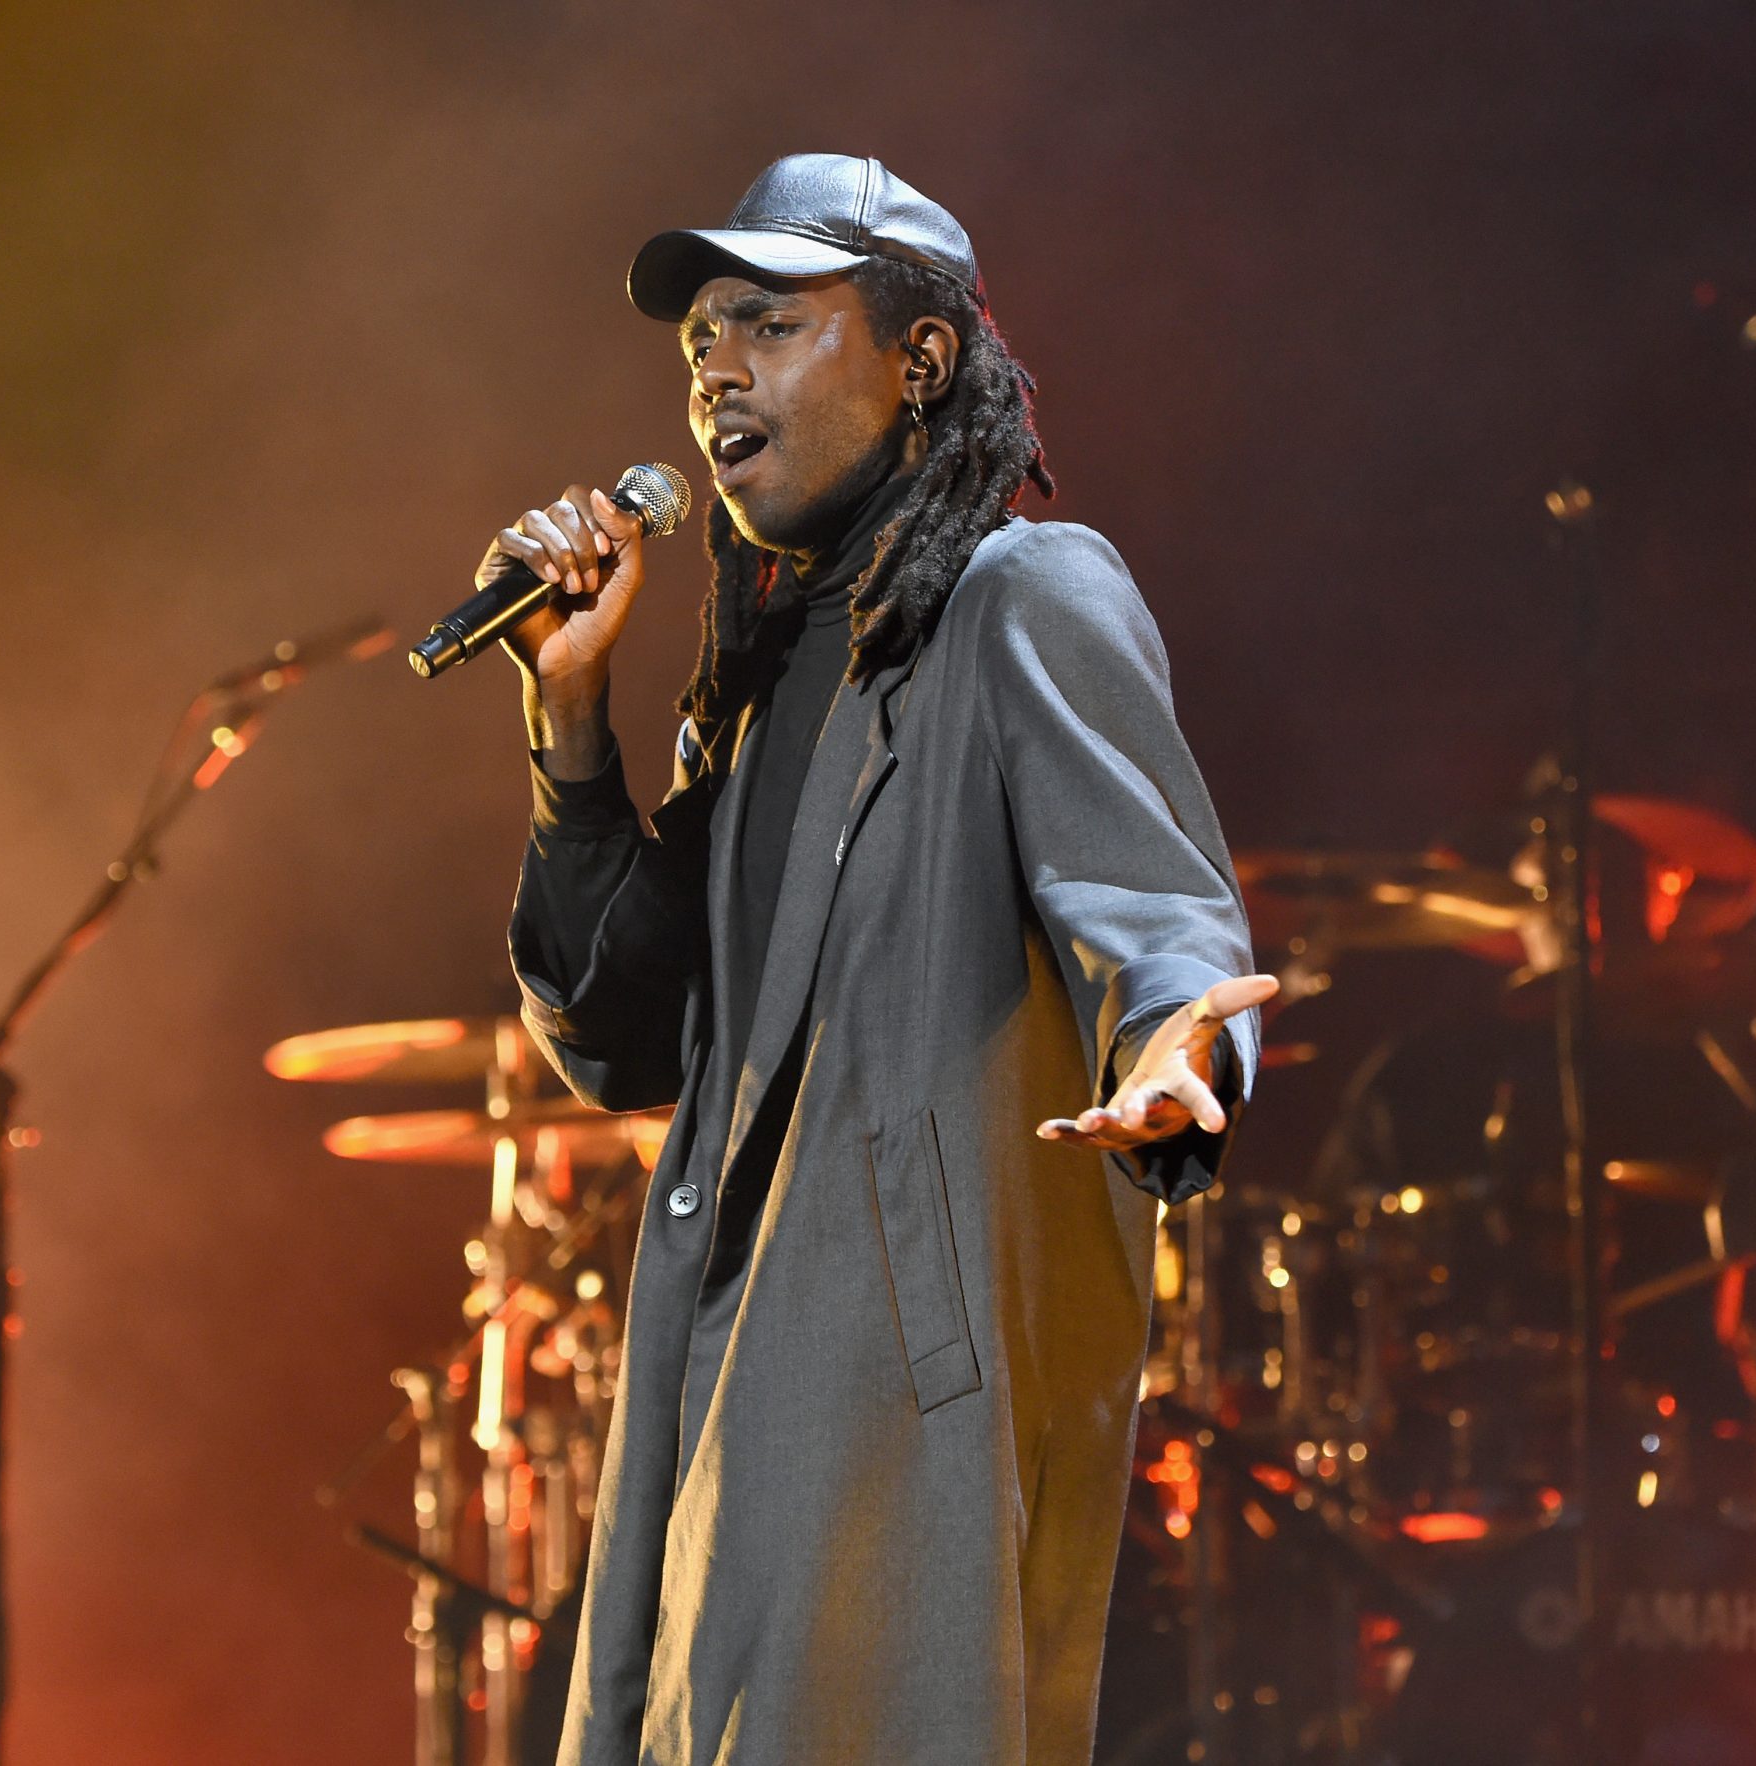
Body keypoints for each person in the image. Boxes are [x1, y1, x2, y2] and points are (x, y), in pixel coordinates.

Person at [486, 152, 1275, 1766]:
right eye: (700, 338)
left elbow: (1160, 908)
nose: (716, 369)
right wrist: (570, 727)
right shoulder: (763, 680)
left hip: (894, 1404)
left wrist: (1180, 1046)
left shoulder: (1021, 594)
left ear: (920, 361)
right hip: (718, 1382)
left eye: (769, 325)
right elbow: (622, 1041)